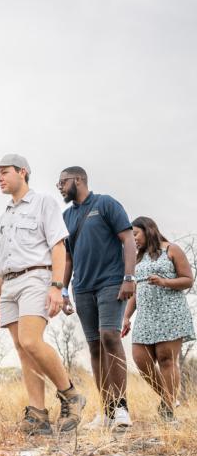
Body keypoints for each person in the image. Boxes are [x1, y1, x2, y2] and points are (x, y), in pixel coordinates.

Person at [0, 154, 85, 436]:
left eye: (5, 172)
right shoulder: (5, 214)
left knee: (31, 340)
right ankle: (38, 414)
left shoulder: (44, 202)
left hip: (36, 277)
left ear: (23, 172)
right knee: (22, 348)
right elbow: (1, 262)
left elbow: (58, 246)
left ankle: (70, 395)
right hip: (9, 282)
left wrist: (57, 286)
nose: (0, 178)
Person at [58, 166, 136, 429]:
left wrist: (129, 278)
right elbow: (67, 257)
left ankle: (121, 408)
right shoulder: (67, 216)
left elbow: (128, 240)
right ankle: (107, 412)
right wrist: (64, 290)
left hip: (111, 282)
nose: (59, 186)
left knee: (109, 337)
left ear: (78, 180)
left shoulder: (106, 204)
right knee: (94, 346)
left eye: (63, 181)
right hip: (82, 288)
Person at [122, 216, 195, 422]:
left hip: (170, 313)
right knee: (140, 359)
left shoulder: (171, 249)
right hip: (146, 315)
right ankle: (168, 397)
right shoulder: (139, 257)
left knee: (166, 359)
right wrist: (127, 316)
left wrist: (164, 282)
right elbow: (137, 290)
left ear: (148, 230)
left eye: (135, 233)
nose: (133, 238)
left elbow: (188, 280)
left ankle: (168, 407)